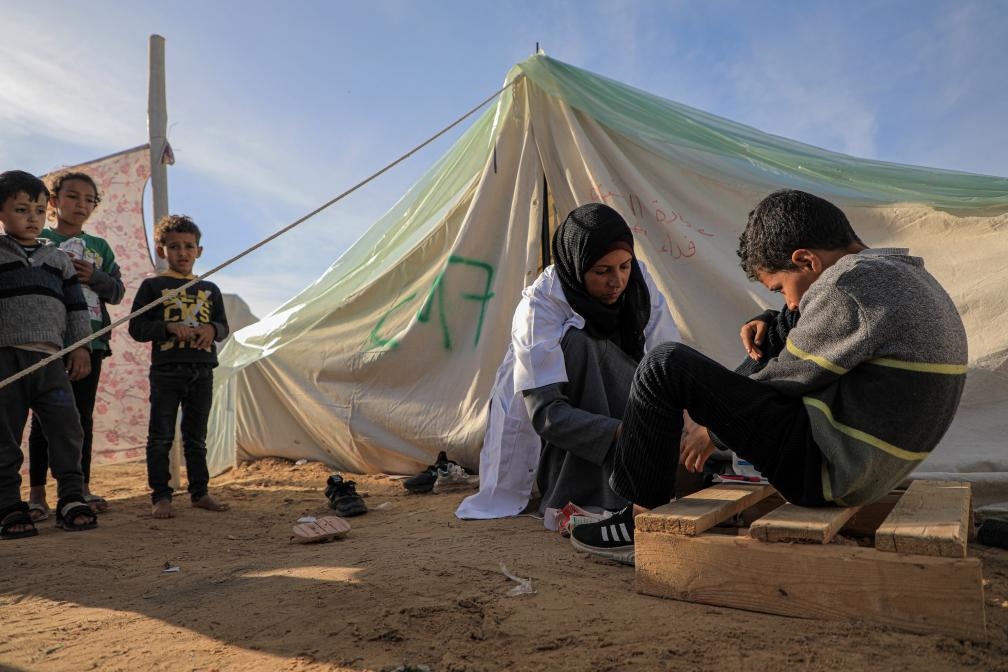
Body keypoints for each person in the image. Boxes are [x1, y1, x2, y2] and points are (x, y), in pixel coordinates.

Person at [571, 189, 968, 564]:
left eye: (779, 288)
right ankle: (649, 501)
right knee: (784, 327)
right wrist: (774, 321)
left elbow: (785, 379)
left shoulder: (849, 286)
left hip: (831, 470)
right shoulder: (899, 274)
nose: (787, 300)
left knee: (663, 366)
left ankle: (638, 521)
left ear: (807, 260)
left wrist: (711, 428)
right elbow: (812, 334)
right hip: (870, 465)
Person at [456, 203, 679, 519]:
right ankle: (597, 489)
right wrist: (621, 432)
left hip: (628, 408)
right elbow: (547, 414)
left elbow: (667, 359)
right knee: (579, 342)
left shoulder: (639, 283)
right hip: (573, 419)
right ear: (576, 266)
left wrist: (683, 421)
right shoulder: (539, 308)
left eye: (624, 266)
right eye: (602, 271)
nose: (617, 281)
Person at [0, 170, 98, 539]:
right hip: (6, 359)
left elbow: (76, 309)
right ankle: (9, 506)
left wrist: (81, 347)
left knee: (67, 429)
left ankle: (72, 498)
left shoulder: (56, 260)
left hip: (51, 361)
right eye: (21, 209)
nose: (32, 218)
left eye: (39, 210)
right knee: (4, 435)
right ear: (2, 213)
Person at [27, 171, 125, 519]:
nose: (80, 204)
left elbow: (117, 291)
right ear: (53, 201)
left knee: (81, 418)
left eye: (89, 199)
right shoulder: (39, 239)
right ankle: (37, 493)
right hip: (50, 342)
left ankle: (79, 488)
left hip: (93, 342)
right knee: (44, 418)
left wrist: (94, 277)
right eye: (72, 196)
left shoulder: (100, 248)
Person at [128, 215, 230, 519]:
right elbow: (137, 327)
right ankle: (161, 495)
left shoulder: (210, 288)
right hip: (166, 372)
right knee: (160, 436)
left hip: (202, 371)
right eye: (174, 246)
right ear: (162, 251)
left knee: (196, 436)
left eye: (188, 246)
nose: (182, 253)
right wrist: (169, 328)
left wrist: (212, 329)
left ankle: (200, 493)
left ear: (199, 251)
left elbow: (223, 326)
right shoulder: (153, 286)